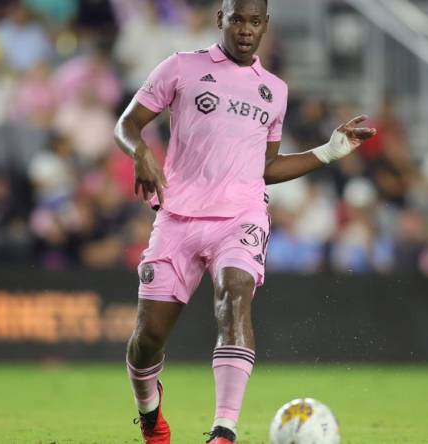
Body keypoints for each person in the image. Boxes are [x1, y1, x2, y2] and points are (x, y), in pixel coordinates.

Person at [113, 1, 376, 442]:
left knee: (235, 295)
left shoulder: (274, 90)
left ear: (266, 26)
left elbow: (265, 167)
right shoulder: (181, 68)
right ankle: (150, 414)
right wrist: (140, 151)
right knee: (147, 340)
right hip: (178, 217)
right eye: (237, 19)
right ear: (221, 19)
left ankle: (224, 431)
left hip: (241, 217)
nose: (246, 30)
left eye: (255, 21)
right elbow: (127, 124)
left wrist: (329, 151)